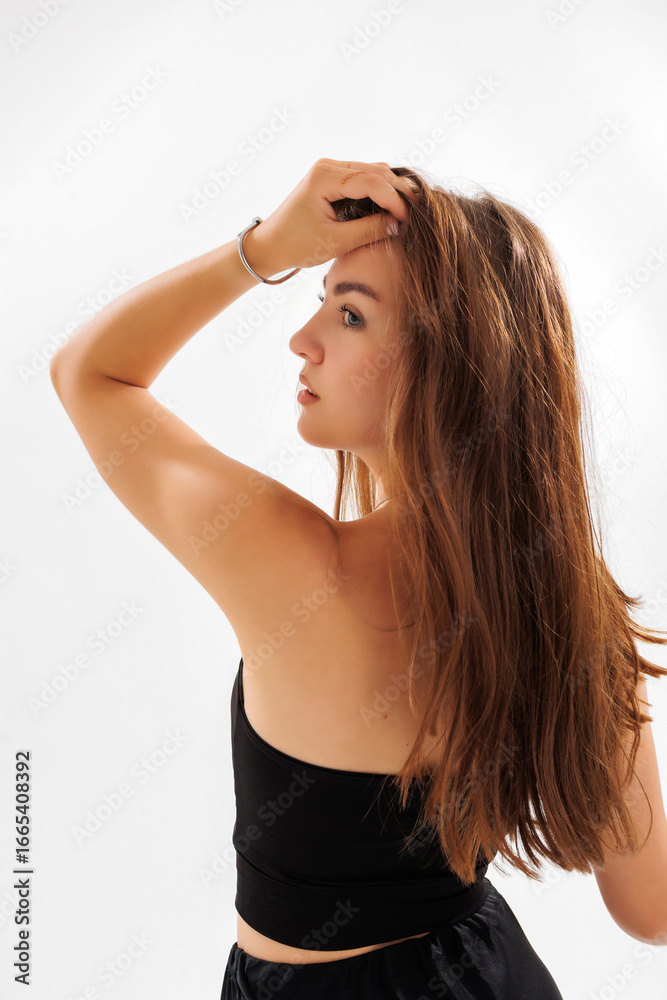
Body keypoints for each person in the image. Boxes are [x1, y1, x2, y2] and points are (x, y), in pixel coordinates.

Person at [50, 158, 667, 999]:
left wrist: (267, 248)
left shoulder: (297, 568)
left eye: (349, 315)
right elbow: (649, 907)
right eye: (319, 302)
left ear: (445, 364)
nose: (302, 341)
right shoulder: (570, 595)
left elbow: (90, 372)